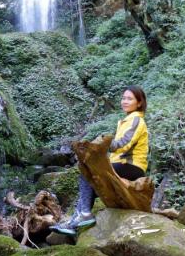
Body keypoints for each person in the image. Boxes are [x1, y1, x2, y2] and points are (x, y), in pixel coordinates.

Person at [53, 85, 150, 233]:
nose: (124, 101)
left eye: (129, 98)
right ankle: (74, 222)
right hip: (121, 164)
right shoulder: (126, 120)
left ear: (139, 103)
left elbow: (124, 144)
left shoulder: (136, 120)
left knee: (90, 170)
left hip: (132, 166)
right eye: (123, 98)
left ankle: (84, 214)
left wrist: (102, 145)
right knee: (88, 173)